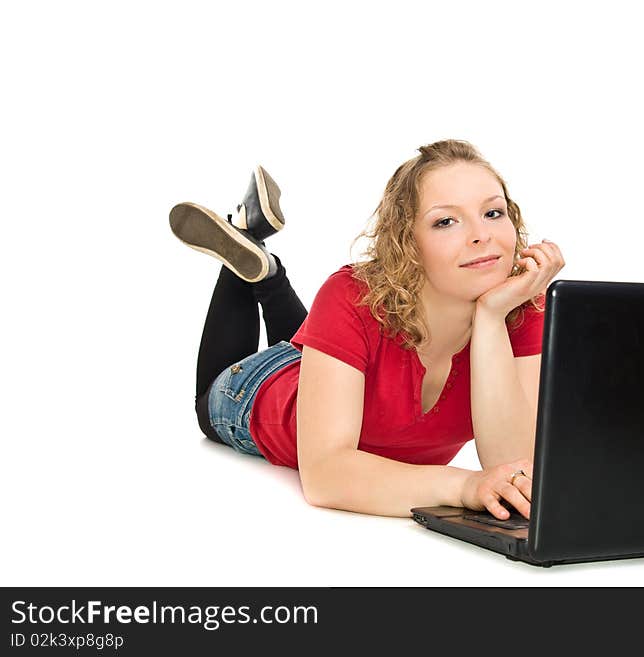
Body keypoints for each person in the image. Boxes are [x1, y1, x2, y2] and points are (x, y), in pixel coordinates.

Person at [169, 139, 565, 520]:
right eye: (446, 221)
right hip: (253, 391)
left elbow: (515, 470)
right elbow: (325, 477)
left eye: (493, 213)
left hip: (334, 363)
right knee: (206, 404)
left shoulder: (520, 306)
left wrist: (492, 318)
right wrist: (464, 487)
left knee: (324, 339)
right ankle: (245, 245)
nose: (482, 235)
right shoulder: (350, 295)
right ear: (407, 243)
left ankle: (265, 267)